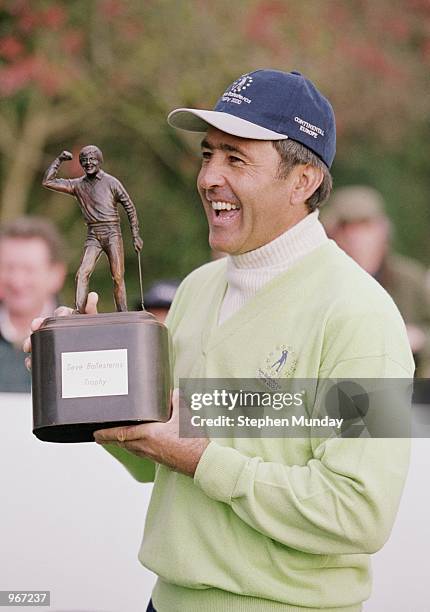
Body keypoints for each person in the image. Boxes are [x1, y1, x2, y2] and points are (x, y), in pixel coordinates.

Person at [26, 70, 414, 611]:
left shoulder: (363, 315)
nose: (209, 177)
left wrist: (201, 459)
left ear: (302, 181)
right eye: (209, 155)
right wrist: (81, 378)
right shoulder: (198, 288)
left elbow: (358, 512)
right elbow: (153, 453)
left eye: (236, 159)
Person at [323, 185, 430, 377]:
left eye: (364, 225)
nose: (355, 236)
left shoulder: (410, 279)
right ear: (331, 232)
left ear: (383, 229)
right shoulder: (322, 280)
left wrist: (419, 337)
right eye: (346, 227)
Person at [42, 145, 143, 313]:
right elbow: (48, 181)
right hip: (93, 235)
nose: (88, 163)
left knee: (118, 276)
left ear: (99, 161)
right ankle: (79, 312)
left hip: (112, 233)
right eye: (84, 160)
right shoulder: (77, 185)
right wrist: (59, 160)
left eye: (92, 159)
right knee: (82, 273)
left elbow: (129, 207)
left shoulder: (111, 182)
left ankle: (123, 313)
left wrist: (135, 234)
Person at [0, 217, 66, 393]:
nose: (17, 281)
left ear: (56, 275)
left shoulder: (78, 338)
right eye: (9, 268)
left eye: (29, 269)